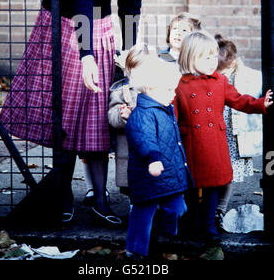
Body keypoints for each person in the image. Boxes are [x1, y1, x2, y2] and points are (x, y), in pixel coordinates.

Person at [0, 0, 158, 224]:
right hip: (63, 18)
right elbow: (82, 0)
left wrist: (129, 51)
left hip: (97, 19)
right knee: (67, 109)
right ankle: (62, 194)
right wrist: (87, 55)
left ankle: (100, 198)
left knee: (97, 110)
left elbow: (131, 1)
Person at [174, 31, 272, 249]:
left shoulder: (220, 81)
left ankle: (209, 228)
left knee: (212, 188)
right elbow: (174, 116)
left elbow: (239, 101)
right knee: (190, 188)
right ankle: (189, 225)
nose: (212, 62)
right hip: (191, 143)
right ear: (190, 57)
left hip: (214, 144)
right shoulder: (180, 85)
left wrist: (260, 104)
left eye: (213, 56)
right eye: (205, 57)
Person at [124, 57, 191, 259]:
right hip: (148, 174)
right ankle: (135, 250)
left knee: (178, 208)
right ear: (152, 88)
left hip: (169, 174)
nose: (174, 94)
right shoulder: (143, 114)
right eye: (169, 89)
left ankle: (164, 233)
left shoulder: (163, 109)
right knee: (142, 214)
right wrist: (153, 159)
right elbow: (144, 138)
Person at [214, 34, 263, 229]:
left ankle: (220, 208)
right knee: (213, 171)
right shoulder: (210, 75)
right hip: (217, 131)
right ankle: (211, 207)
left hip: (234, 135)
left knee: (229, 173)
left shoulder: (247, 77)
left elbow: (252, 95)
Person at [108, 43, 150, 194]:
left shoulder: (156, 89)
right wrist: (122, 115)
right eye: (135, 69)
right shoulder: (122, 90)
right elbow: (112, 115)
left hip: (151, 146)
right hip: (129, 146)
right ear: (128, 70)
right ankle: (135, 211)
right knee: (132, 184)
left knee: (153, 181)